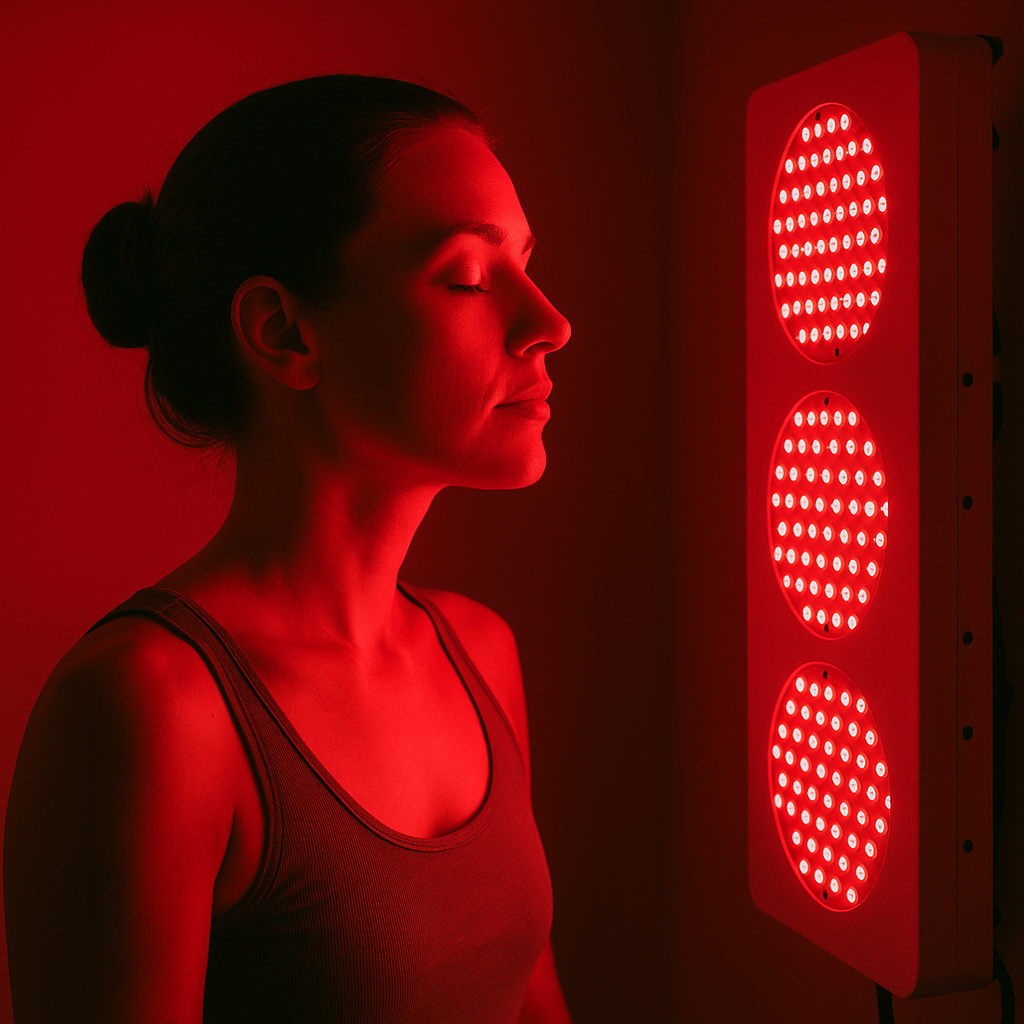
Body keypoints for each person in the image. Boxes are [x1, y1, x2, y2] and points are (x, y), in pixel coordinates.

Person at [4, 73, 572, 1023]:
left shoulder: (481, 653)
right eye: (469, 278)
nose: (549, 324)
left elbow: (532, 1001)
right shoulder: (152, 710)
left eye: (526, 263)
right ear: (283, 331)